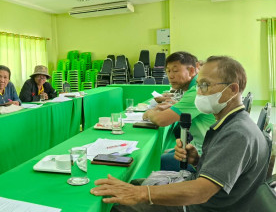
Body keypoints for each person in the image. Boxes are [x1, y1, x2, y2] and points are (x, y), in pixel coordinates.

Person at [91, 56, 271, 212]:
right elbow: (228, 174)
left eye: (205, 85)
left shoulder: (237, 133)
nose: (199, 92)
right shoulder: (234, 122)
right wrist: (198, 160)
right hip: (208, 200)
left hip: (202, 207)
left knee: (115, 204)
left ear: (232, 90)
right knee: (135, 183)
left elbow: (202, 191)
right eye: (199, 85)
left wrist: (140, 194)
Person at [143, 52, 215, 172]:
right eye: (168, 71)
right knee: (170, 152)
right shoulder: (197, 87)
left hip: (205, 157)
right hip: (200, 147)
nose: (170, 76)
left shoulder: (197, 91)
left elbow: (162, 121)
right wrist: (174, 106)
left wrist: (150, 113)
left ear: (192, 71)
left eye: (175, 71)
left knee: (155, 161)